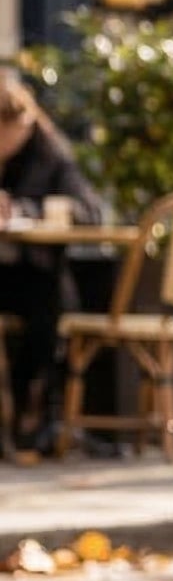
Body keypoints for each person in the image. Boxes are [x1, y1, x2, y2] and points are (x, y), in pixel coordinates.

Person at [0, 71, 103, 453]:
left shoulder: (51, 155)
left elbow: (90, 211)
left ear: (19, 123)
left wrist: (28, 209)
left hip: (38, 273)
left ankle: (35, 412)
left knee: (45, 305)